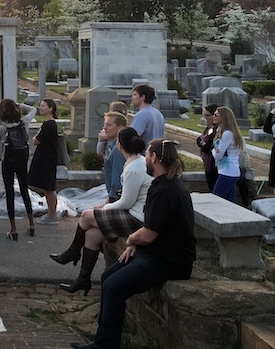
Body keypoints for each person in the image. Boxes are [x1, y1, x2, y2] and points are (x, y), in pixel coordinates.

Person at [71, 139, 195, 349]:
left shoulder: (166, 190)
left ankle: (106, 345)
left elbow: (148, 234)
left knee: (113, 286)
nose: (146, 157)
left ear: (154, 158)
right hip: (156, 252)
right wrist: (135, 245)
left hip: (170, 260)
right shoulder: (163, 184)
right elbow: (153, 227)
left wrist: (131, 239)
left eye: (148, 154)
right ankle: (102, 339)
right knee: (107, 276)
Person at [51, 127, 152, 296]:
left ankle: (72, 252)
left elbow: (127, 202)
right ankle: (83, 279)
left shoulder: (134, 168)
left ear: (119, 145)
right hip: (133, 213)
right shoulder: (135, 162)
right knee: (91, 236)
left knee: (85, 216)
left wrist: (103, 208)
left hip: (136, 218)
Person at [0, 98, 35, 239]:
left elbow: (1, 140)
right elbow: (33, 110)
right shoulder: (24, 123)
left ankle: (13, 228)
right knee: (24, 190)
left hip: (9, 161)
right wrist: (20, 105)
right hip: (23, 160)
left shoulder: (2, 128)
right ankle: (31, 223)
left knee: (10, 192)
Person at [29, 99, 60, 224]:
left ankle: (52, 215)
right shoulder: (47, 124)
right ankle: (50, 213)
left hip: (48, 159)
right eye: (40, 105)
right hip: (45, 158)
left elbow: (36, 140)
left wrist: (35, 138)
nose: (40, 108)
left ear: (50, 108)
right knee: (47, 188)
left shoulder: (50, 125)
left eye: (43, 106)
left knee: (49, 188)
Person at [210, 106, 243, 204]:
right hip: (228, 171)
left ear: (223, 117)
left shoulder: (227, 134)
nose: (213, 117)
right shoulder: (222, 131)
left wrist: (212, 151)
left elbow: (218, 155)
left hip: (228, 172)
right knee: (230, 202)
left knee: (216, 200)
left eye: (216, 115)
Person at [101, 111, 128, 203]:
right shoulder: (112, 147)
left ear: (120, 128)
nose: (105, 128)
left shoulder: (118, 150)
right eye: (104, 124)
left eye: (109, 125)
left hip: (116, 199)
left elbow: (117, 181)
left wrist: (110, 200)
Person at [196, 104, 220, 192]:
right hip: (207, 164)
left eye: (207, 115)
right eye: (204, 115)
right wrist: (203, 143)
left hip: (214, 166)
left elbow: (208, 146)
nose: (205, 118)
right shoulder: (209, 128)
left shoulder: (217, 130)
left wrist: (203, 144)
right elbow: (199, 140)